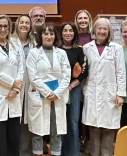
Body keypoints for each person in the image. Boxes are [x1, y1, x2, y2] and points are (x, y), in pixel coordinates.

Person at [82, 18, 126, 156]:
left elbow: (121, 72)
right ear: (94, 30)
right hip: (91, 92)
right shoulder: (87, 48)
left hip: (111, 94)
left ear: (109, 31)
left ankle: (107, 154)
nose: (102, 31)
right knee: (93, 127)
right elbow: (84, 72)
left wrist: (120, 94)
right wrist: (84, 92)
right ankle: (94, 154)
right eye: (99, 28)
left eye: (105, 29)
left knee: (108, 127)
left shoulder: (117, 48)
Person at [26, 23, 70, 156]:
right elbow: (32, 76)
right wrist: (47, 91)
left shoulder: (61, 53)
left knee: (56, 131)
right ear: (40, 36)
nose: (49, 36)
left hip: (57, 97)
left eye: (51, 33)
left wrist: (56, 93)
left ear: (55, 36)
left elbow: (67, 75)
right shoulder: (33, 53)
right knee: (38, 131)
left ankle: (56, 153)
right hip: (40, 96)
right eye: (45, 33)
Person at [0, 14, 24, 156]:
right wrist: (13, 83)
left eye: (5, 26)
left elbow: (21, 68)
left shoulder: (16, 46)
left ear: (9, 28)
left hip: (13, 96)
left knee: (14, 139)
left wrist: (16, 89)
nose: (2, 29)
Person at [58, 21, 88, 156]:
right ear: (61, 33)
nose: (68, 33)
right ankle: (60, 151)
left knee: (73, 121)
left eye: (71, 31)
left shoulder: (79, 49)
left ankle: (73, 152)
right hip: (57, 90)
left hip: (73, 89)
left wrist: (71, 86)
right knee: (60, 121)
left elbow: (84, 71)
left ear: (74, 33)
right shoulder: (56, 49)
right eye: (65, 30)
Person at [11, 15, 35, 156]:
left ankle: (25, 152)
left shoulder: (35, 42)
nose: (24, 25)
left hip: (31, 87)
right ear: (17, 24)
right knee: (15, 120)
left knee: (27, 121)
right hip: (13, 86)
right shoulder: (10, 41)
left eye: (27, 23)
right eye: (22, 22)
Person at [74, 9, 93, 153]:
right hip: (76, 79)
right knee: (79, 112)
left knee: (90, 111)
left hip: (92, 78)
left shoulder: (94, 36)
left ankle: (89, 141)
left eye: (85, 18)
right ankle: (79, 140)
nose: (82, 21)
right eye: (80, 18)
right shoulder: (72, 36)